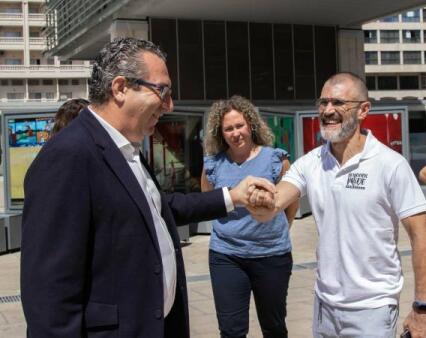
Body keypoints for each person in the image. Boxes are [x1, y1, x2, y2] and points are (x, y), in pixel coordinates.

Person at [20, 37, 273, 338]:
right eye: (162, 91)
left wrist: (233, 196)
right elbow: (49, 293)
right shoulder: (69, 155)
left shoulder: (125, 148)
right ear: (120, 88)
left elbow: (160, 209)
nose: (170, 105)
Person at [247, 72, 426, 338]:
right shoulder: (311, 162)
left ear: (363, 110)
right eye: (323, 103)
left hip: (373, 309)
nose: (328, 110)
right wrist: (260, 199)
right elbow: (275, 201)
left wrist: (423, 308)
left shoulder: (390, 164)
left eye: (338, 103)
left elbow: (422, 237)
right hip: (325, 306)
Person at [201, 95, 299, 338]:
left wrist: (282, 227)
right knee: (231, 331)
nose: (235, 133)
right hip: (226, 256)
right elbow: (208, 202)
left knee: (274, 327)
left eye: (239, 125)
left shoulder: (276, 159)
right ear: (220, 133)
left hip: (272, 255)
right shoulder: (214, 165)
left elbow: (292, 200)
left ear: (251, 125)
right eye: (228, 129)